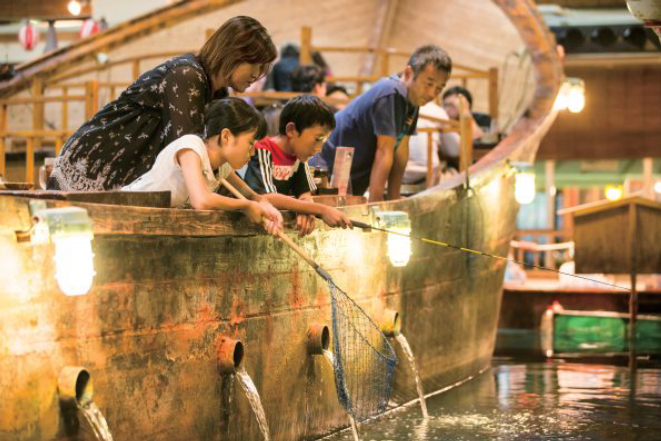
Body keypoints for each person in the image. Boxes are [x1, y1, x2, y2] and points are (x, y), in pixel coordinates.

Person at [48, 16, 277, 191]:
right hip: (96, 161)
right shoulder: (187, 75)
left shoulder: (218, 93)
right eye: (256, 65)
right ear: (235, 54)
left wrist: (253, 199)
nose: (258, 75)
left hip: (129, 171)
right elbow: (186, 152)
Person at [122, 98, 283, 236]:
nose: (253, 152)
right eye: (250, 144)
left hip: (146, 222)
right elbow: (201, 200)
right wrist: (246, 206)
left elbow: (251, 195)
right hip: (123, 210)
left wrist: (267, 208)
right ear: (226, 136)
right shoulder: (191, 146)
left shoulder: (222, 167)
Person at [318, 45, 452, 201]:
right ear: (409, 73)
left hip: (350, 181)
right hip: (326, 173)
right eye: (429, 83)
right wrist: (377, 203)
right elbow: (384, 152)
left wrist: (395, 198)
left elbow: (401, 150)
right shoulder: (390, 93)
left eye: (439, 88)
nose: (432, 94)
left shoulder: (413, 100)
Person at [242, 95, 352, 236]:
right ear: (291, 130)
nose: (319, 148)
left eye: (324, 141)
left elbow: (305, 193)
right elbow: (266, 197)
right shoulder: (263, 150)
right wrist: (320, 209)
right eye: (318, 139)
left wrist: (306, 210)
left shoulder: (299, 157)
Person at [403, 101, 459, 185]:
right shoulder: (436, 110)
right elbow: (455, 150)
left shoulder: (390, 106)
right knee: (454, 174)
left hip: (389, 177)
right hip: (428, 178)